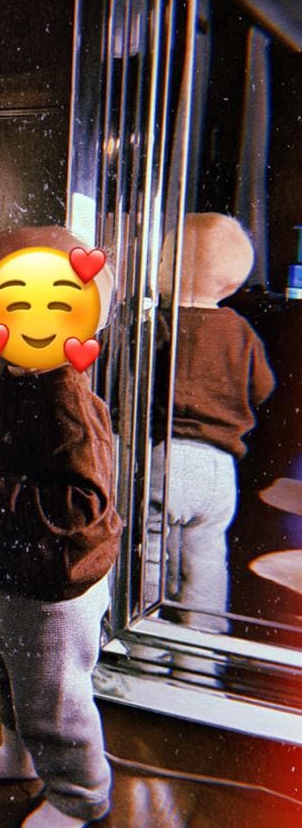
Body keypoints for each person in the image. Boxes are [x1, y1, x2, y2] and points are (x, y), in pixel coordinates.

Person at [0, 225, 122, 828]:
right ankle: (18, 755)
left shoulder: (66, 405)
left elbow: (84, 504)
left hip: (54, 585)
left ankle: (80, 794)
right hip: (8, 569)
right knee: (4, 666)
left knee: (52, 696)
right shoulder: (6, 373)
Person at [141, 213, 275, 670]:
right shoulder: (241, 331)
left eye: (161, 258)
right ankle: (200, 660)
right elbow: (263, 388)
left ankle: (146, 655)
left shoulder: (160, 324)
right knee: (206, 560)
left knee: (151, 556)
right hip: (219, 469)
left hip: (167, 457)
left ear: (175, 270)